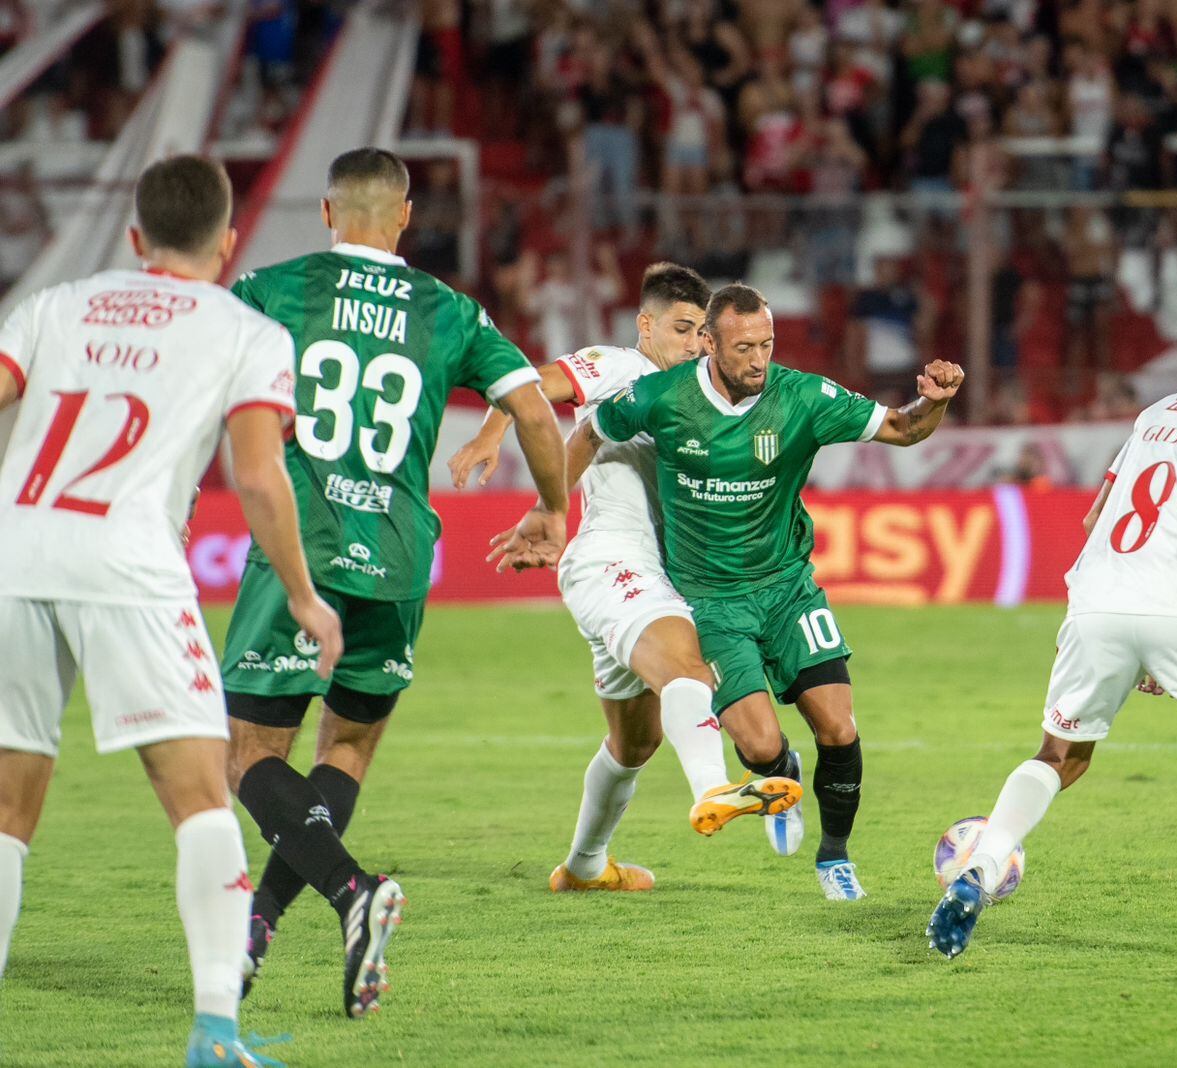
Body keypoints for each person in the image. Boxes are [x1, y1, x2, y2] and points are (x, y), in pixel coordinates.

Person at [0, 155, 343, 1067]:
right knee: (200, 797)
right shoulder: (244, 331)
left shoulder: (52, 306)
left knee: (5, 807)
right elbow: (260, 476)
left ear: (135, 237)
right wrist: (304, 597)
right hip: (128, 566)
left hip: (13, 554)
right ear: (230, 244)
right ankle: (215, 1033)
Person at [220, 147, 571, 1017]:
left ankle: (350, 893)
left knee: (251, 757)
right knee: (346, 748)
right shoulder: (451, 311)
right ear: (407, 217)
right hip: (404, 557)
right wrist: (554, 512)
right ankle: (256, 925)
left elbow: (203, 372)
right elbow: (533, 408)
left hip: (307, 544)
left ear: (329, 213)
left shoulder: (276, 287)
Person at [496, 284, 966, 900]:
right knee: (761, 743)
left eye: (767, 344)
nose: (758, 360)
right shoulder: (663, 396)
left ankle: (835, 857)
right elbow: (589, 432)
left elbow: (904, 429)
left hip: (787, 589)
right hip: (710, 602)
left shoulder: (803, 396)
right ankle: (777, 778)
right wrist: (551, 507)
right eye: (744, 347)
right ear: (709, 345)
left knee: (839, 725)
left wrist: (932, 401)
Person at [927, 298, 1177, 972]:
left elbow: (1097, 514)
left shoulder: (1166, 408)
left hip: (1098, 594)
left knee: (1061, 754)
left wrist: (1133, 639)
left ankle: (982, 866)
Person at [448, 264, 802, 892]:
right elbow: (532, 385)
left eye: (702, 332)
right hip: (613, 559)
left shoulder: (701, 394)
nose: (694, 343)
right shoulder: (622, 368)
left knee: (635, 744)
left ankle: (584, 866)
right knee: (686, 669)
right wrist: (493, 432)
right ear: (646, 326)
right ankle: (715, 789)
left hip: (654, 577)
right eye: (681, 328)